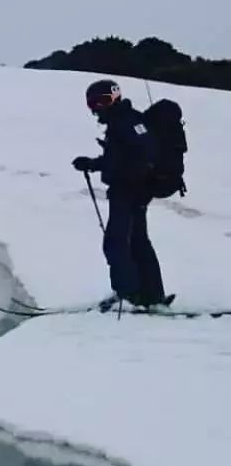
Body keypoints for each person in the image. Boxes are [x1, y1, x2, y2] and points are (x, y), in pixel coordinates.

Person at [72, 79, 170, 308]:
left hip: (129, 191)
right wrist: (94, 164)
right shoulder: (124, 121)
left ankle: (129, 295)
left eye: (103, 101)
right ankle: (151, 295)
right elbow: (121, 158)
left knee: (116, 243)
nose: (97, 108)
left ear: (115, 97)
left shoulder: (126, 122)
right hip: (134, 190)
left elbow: (142, 154)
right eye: (92, 104)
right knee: (137, 241)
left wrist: (122, 174)